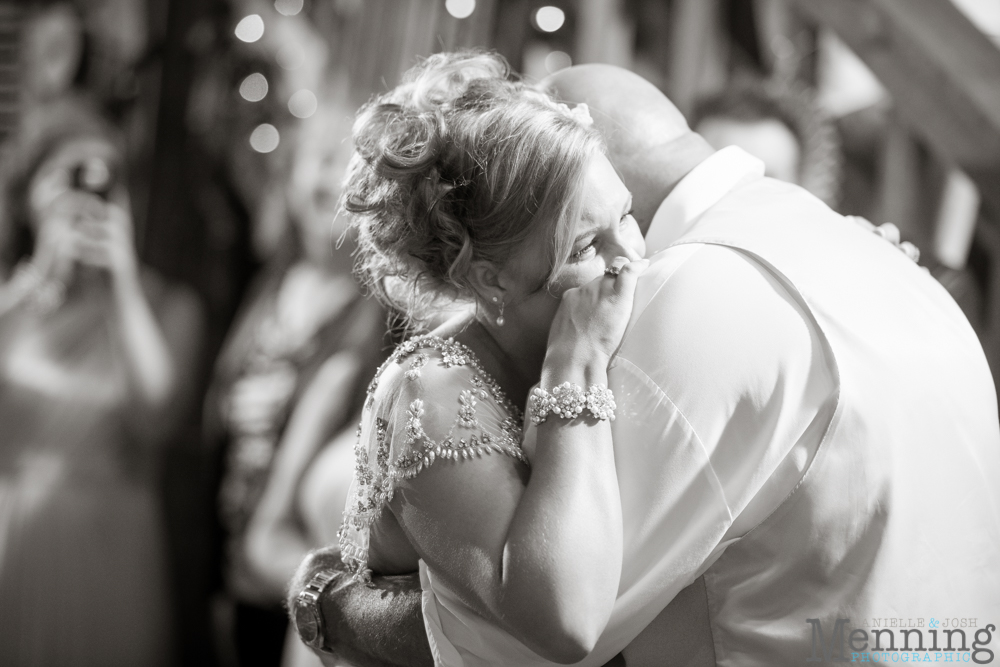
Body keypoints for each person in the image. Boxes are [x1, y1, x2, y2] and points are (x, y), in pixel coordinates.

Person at [290, 59, 1000, 666]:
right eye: (583, 244)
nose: (635, 259)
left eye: (627, 214)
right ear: (489, 278)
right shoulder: (438, 386)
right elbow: (559, 626)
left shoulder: (659, 310)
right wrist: (574, 373)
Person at [0, 102, 203, 665]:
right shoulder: (9, 301)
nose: (85, 196)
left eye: (104, 180)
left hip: (113, 553)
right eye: (67, 177)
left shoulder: (167, 306)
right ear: (25, 196)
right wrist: (33, 285)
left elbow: (158, 414)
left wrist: (123, 283)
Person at [205, 103, 389, 667]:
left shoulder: (377, 311)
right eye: (312, 160)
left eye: (341, 163)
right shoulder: (272, 280)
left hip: (297, 554)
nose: (321, 177)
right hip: (232, 550)